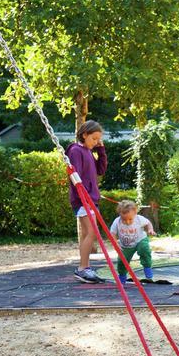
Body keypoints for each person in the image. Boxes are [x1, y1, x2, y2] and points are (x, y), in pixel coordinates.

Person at [67, 120, 109, 283]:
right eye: (94, 138)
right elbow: (74, 176)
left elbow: (101, 170)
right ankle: (83, 268)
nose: (96, 142)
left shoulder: (88, 151)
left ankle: (84, 267)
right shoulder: (76, 150)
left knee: (87, 233)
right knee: (92, 232)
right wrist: (83, 197)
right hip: (83, 199)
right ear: (84, 134)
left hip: (91, 198)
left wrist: (101, 150)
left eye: (99, 139)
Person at [110, 200, 156, 282]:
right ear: (120, 214)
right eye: (124, 219)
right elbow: (112, 233)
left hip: (140, 240)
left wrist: (150, 230)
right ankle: (122, 276)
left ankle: (147, 267)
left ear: (135, 213)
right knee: (121, 261)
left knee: (144, 249)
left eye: (130, 219)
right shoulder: (117, 221)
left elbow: (148, 223)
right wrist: (115, 244)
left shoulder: (139, 219)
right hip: (125, 245)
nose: (127, 222)